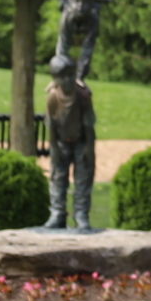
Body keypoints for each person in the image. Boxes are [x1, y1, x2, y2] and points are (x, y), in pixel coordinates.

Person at [41, 54, 96, 232]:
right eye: (64, 76)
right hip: (61, 143)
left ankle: (81, 214)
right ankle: (57, 213)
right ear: (55, 79)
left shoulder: (82, 95)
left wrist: (89, 148)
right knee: (58, 177)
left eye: (72, 75)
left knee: (82, 178)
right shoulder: (53, 96)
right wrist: (54, 148)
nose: (69, 79)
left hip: (81, 142)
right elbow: (51, 125)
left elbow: (88, 124)